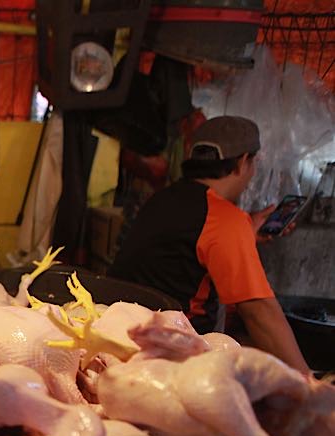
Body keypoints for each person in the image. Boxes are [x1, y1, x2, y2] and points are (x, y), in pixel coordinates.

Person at [110, 116, 310, 373]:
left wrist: (246, 231)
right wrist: (308, 381)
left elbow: (187, 245)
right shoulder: (225, 219)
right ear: (242, 163)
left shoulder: (163, 199)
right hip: (169, 358)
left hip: (120, 333)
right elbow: (260, 314)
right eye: (253, 163)